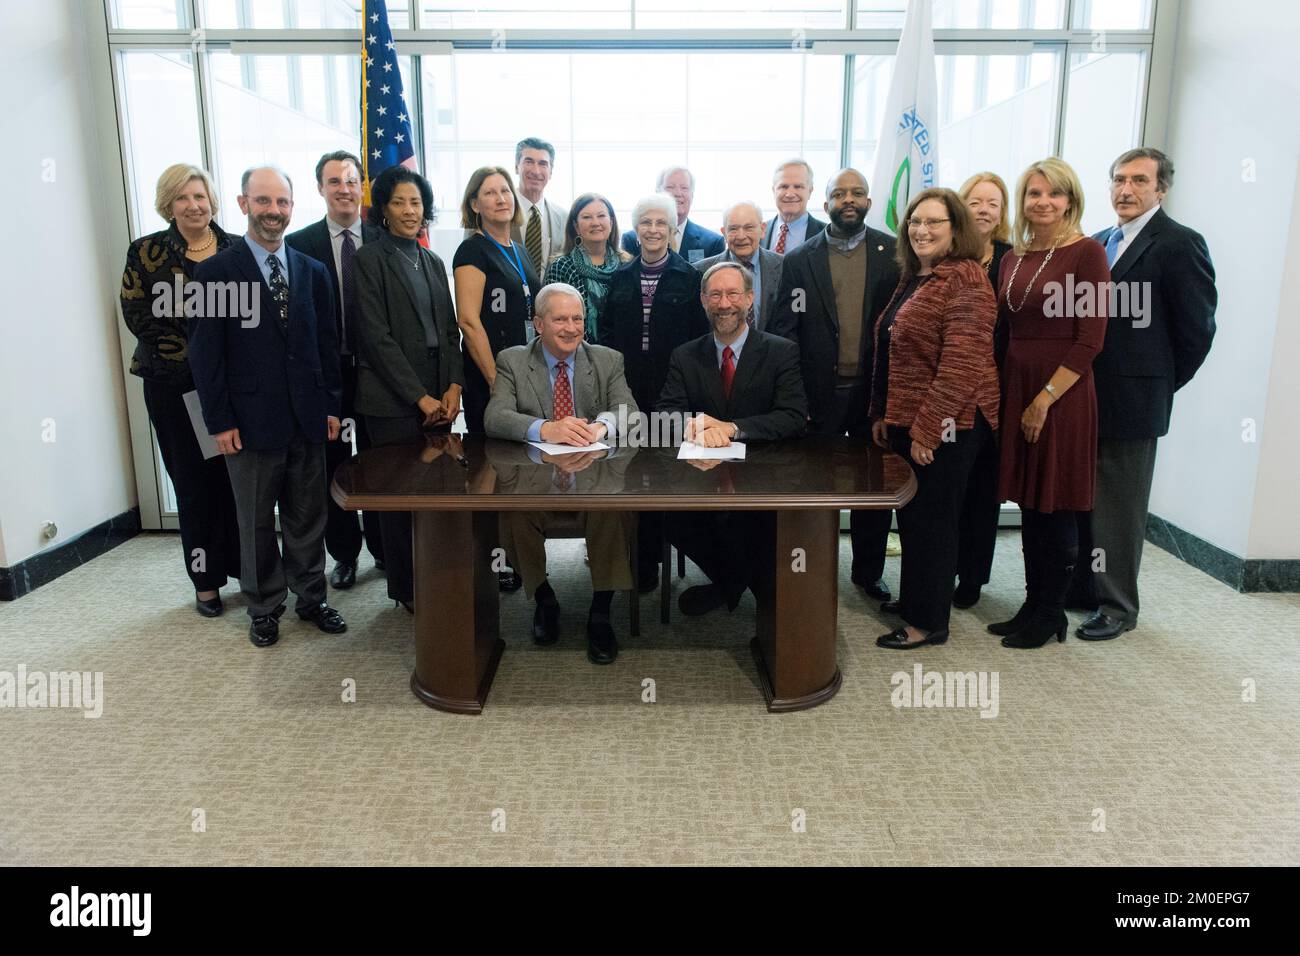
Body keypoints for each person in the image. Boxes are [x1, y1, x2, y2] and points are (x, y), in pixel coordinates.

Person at [188, 166, 347, 647]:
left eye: (281, 203)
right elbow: (205, 355)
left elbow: (326, 345)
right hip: (248, 424)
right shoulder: (214, 272)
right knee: (255, 520)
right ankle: (263, 605)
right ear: (242, 205)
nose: (272, 212)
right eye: (263, 202)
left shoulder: (312, 270)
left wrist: (332, 408)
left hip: (307, 418)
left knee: (307, 516)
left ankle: (311, 597)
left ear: (292, 207)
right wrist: (218, 421)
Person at [1072, 148, 1217, 641]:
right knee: (1083, 501)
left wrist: (1156, 383)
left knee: (1117, 508)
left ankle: (1116, 606)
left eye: (1138, 180)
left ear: (1161, 189)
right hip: (1084, 397)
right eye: (1118, 179)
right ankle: (1084, 589)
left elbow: (1196, 332)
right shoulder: (1096, 243)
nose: (1125, 190)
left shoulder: (1178, 244)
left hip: (1134, 402)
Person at [867, 189, 1000, 649]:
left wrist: (928, 429)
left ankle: (927, 623)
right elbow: (893, 349)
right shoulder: (916, 276)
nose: (921, 230)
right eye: (915, 222)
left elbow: (962, 366)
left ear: (956, 228)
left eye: (934, 223)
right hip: (909, 417)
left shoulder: (965, 278)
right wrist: (883, 413)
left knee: (933, 523)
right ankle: (916, 600)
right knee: (914, 518)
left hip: (951, 425)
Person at [484, 283, 638, 665]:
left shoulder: (607, 359)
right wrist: (544, 428)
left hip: (594, 478)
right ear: (538, 323)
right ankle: (544, 599)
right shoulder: (513, 360)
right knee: (515, 510)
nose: (571, 328)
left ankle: (600, 611)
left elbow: (630, 412)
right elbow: (495, 416)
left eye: (578, 319)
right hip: (535, 479)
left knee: (610, 508)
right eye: (560, 319)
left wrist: (601, 427)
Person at [991, 157, 1108, 650]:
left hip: (1061, 393)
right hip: (1017, 383)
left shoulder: (1087, 254)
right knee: (1030, 506)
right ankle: (1032, 603)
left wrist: (1044, 400)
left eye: (1053, 194)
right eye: (1034, 193)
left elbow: (1090, 340)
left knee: (1056, 507)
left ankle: (1051, 612)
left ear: (1070, 200)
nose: (1043, 202)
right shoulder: (1013, 256)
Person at [769, 168, 900, 602]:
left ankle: (868, 573)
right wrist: (793, 397)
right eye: (839, 194)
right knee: (812, 485)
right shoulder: (799, 259)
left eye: (857, 193)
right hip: (818, 394)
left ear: (867, 202)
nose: (849, 199)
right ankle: (813, 567)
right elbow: (786, 333)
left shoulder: (893, 254)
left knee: (870, 487)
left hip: (873, 393)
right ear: (824, 205)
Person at [119, 163, 240, 618]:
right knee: (192, 487)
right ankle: (205, 582)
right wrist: (201, 359)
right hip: (174, 387)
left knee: (236, 484)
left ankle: (247, 571)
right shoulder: (146, 252)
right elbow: (138, 316)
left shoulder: (235, 249)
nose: (193, 205)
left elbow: (250, 319)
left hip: (232, 391)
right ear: (168, 204)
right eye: (183, 198)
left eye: (200, 196)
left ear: (212, 201)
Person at [657, 261, 808, 615]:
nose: (724, 303)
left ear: (750, 299)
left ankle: (734, 586)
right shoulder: (685, 354)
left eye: (733, 294)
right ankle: (733, 582)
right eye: (715, 294)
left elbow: (793, 417)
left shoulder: (780, 351)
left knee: (751, 521)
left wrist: (732, 427)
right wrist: (695, 425)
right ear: (703, 301)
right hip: (702, 471)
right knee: (668, 517)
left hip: (764, 472)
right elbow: (665, 413)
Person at [352, 165, 464, 614]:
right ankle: (406, 589)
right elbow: (375, 338)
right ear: (383, 208)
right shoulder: (369, 260)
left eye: (415, 202)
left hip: (441, 397)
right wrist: (420, 398)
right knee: (400, 498)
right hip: (393, 402)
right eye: (398, 202)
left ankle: (438, 576)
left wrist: (454, 386)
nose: (408, 210)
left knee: (437, 493)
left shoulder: (432, 260)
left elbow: (450, 330)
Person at [285, 150, 385, 591]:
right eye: (334, 181)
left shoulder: (384, 239)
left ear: (361, 185)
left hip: (381, 374)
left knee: (383, 462)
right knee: (336, 468)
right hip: (329, 375)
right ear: (320, 188)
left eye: (351, 180)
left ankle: (385, 548)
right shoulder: (299, 245)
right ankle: (344, 554)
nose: (343, 188)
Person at [599, 194, 709, 588]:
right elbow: (607, 333)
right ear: (635, 228)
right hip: (628, 392)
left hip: (672, 393)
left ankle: (667, 551)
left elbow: (700, 340)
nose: (653, 230)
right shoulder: (621, 278)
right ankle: (642, 561)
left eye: (661, 223)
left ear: (672, 228)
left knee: (667, 472)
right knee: (631, 474)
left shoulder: (690, 277)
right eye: (645, 222)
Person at [951, 171, 1015, 608]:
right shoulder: (948, 259)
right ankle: (940, 573)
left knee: (982, 493)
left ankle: (972, 579)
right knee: (946, 492)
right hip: (952, 392)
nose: (984, 210)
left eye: (993, 203)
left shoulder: (1016, 260)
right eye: (976, 201)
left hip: (996, 394)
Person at [453, 166, 539, 436]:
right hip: (490, 376)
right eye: (490, 193)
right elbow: (468, 321)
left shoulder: (520, 251)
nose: (501, 199)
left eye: (505, 191)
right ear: (475, 204)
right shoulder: (472, 250)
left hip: (526, 373)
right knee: (494, 465)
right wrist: (496, 379)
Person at [542, 192, 631, 343]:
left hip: (621, 353)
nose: (595, 222)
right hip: (573, 353)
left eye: (601, 216)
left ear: (611, 222)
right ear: (576, 226)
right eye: (587, 217)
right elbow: (551, 319)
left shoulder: (627, 266)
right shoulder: (562, 267)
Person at [695, 201, 784, 331]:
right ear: (724, 232)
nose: (741, 236)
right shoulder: (700, 271)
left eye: (749, 227)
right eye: (733, 229)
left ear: (763, 229)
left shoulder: (785, 266)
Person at [621, 167, 724, 262]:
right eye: (670, 187)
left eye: (684, 188)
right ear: (658, 193)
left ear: (692, 194)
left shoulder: (713, 243)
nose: (678, 193)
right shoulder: (631, 239)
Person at [512, 137, 569, 277]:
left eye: (543, 164)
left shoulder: (564, 217)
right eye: (529, 162)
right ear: (516, 167)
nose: (536, 171)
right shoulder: (495, 211)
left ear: (551, 172)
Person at [764, 159, 827, 253]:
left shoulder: (826, 234)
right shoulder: (759, 231)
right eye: (784, 186)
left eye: (798, 187)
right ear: (774, 191)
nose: (790, 194)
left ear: (810, 191)